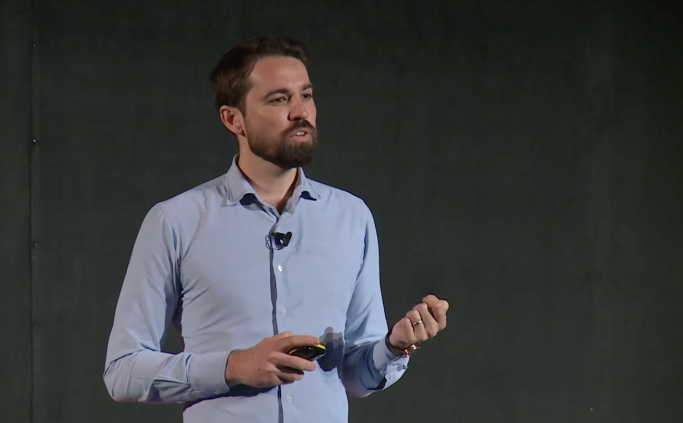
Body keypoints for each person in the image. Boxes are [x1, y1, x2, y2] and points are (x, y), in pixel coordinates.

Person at [103, 36, 449, 423]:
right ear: (233, 119)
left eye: (307, 95)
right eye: (279, 99)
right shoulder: (176, 221)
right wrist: (234, 367)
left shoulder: (351, 217)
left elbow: (355, 377)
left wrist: (393, 347)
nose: (301, 112)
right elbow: (123, 372)